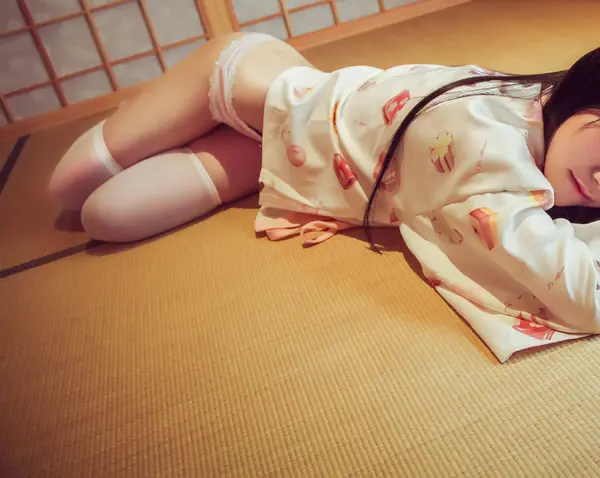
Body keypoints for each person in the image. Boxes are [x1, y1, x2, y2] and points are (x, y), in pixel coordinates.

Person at [48, 32, 600, 361]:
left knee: (105, 216)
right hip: (240, 80)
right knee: (69, 189)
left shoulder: (551, 127)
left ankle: (189, 132)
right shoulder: (489, 146)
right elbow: (584, 296)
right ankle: (166, 108)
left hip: (282, 158)